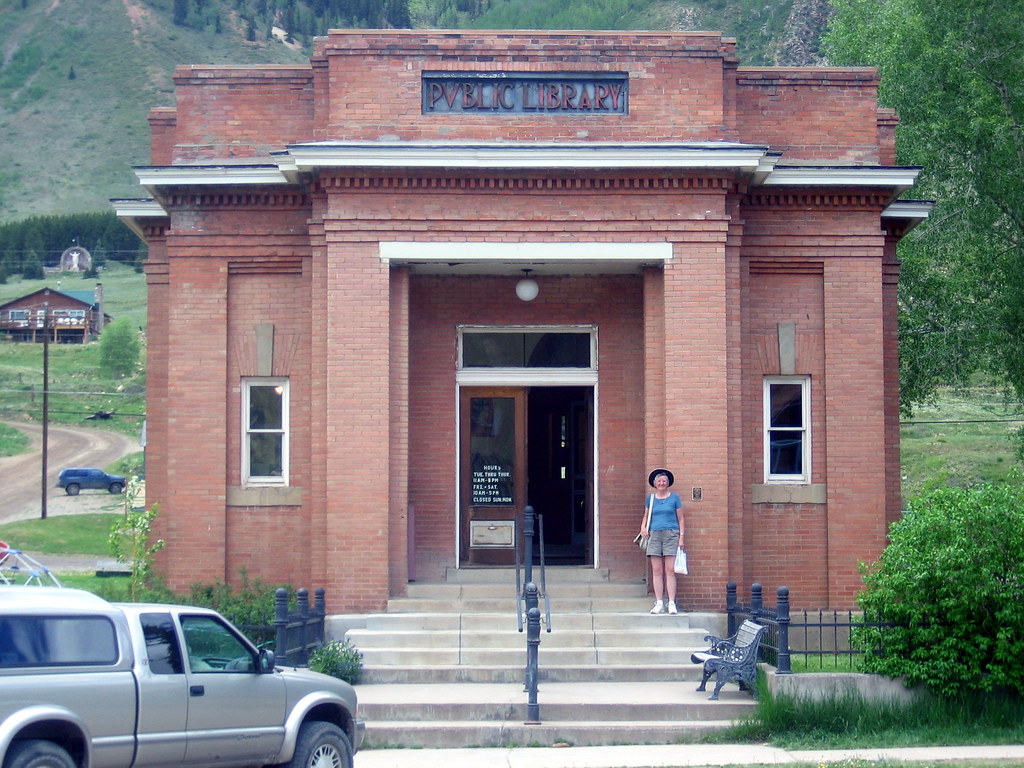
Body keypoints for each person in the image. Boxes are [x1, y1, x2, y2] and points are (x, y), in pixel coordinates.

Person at [639, 468, 684, 614]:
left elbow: (681, 518)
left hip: (671, 534)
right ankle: (659, 603)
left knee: (670, 570)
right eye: (659, 481)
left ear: (668, 483)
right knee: (656, 570)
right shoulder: (650, 499)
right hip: (654, 534)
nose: (661, 483)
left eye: (664, 480)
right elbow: (646, 515)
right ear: (655, 483)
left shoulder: (674, 498)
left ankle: (671, 603)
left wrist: (681, 537)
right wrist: (643, 527)